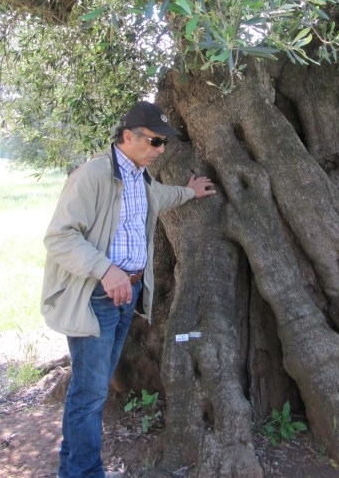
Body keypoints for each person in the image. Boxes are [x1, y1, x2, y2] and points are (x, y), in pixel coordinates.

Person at [41, 101, 216, 478]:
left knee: (91, 390)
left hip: (127, 296)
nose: (160, 150)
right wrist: (106, 270)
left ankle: (72, 469)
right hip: (96, 298)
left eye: (163, 143)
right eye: (154, 141)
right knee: (90, 394)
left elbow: (158, 199)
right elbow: (59, 237)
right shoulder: (93, 175)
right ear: (127, 136)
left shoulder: (140, 176)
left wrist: (189, 192)